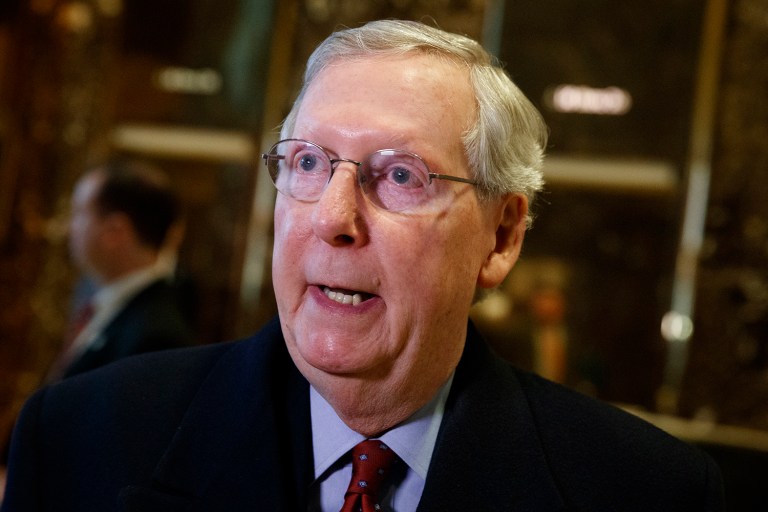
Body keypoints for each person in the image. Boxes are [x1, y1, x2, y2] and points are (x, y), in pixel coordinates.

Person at [1, 20, 723, 511]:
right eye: (308, 164)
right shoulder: (80, 440)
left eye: (402, 177)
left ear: (502, 238)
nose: (332, 219)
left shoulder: (650, 491)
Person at [45, 159, 197, 381]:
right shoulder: (101, 298)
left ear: (115, 231)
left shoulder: (157, 337)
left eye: (78, 213)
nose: (68, 227)